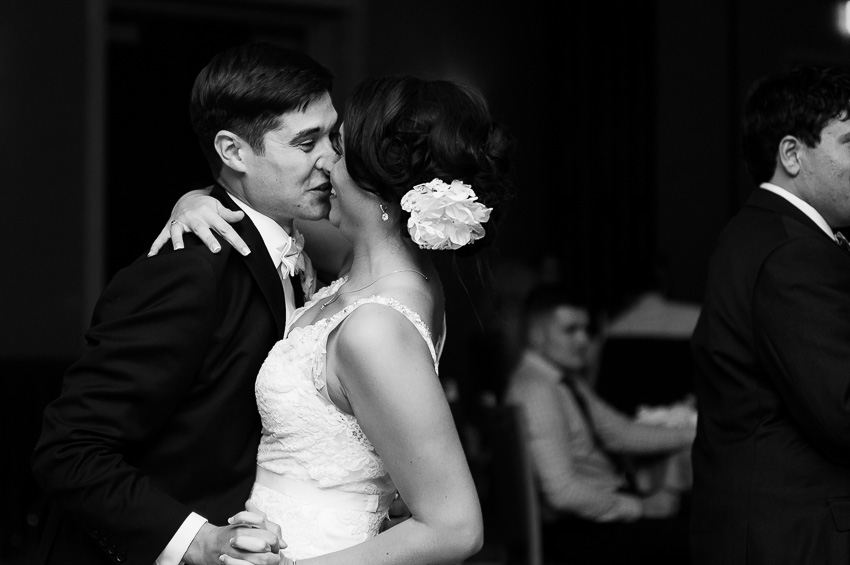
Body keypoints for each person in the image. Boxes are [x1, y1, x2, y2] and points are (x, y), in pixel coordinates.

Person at [149, 74, 515, 563]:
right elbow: (260, 214)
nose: (321, 160)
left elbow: (456, 529)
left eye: (336, 147)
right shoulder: (372, 265)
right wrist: (197, 200)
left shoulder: (376, 327)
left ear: (377, 182)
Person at [31, 43, 338, 565]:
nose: (331, 158)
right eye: (307, 142)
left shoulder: (299, 253)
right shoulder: (188, 270)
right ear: (234, 152)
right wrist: (198, 542)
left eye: (334, 135)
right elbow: (70, 451)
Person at [690, 65, 850, 564]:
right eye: (849, 142)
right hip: (792, 534)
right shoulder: (792, 251)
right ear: (792, 154)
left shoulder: (761, 232)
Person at [504, 284, 695, 563]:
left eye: (586, 330)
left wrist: (694, 433)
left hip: (595, 515)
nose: (583, 340)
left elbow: (620, 433)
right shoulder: (537, 391)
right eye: (570, 330)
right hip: (576, 532)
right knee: (707, 537)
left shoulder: (563, 381)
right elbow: (562, 493)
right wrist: (640, 507)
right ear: (536, 335)